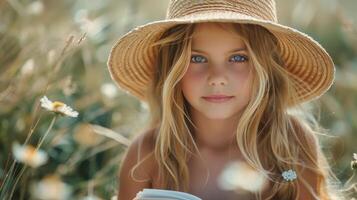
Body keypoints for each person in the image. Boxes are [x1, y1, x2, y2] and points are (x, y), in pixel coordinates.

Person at [107, 0, 346, 199]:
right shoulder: (147, 153)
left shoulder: (290, 144)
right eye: (197, 59)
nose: (217, 78)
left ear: (266, 68)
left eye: (239, 58)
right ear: (172, 69)